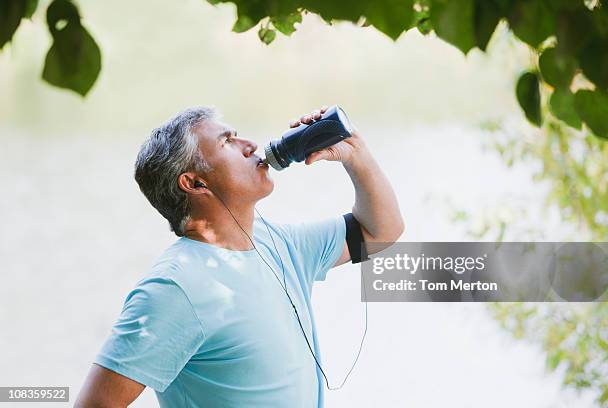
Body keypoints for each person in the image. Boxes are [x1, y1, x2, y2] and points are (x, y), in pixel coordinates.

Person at [75, 105, 404, 407]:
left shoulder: (279, 243)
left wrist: (355, 155)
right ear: (195, 182)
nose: (250, 145)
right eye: (227, 142)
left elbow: (380, 232)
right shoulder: (176, 287)